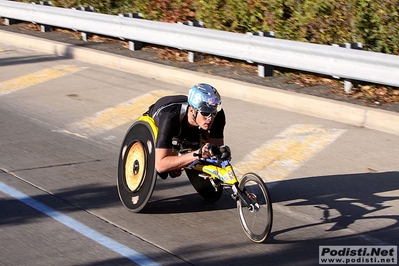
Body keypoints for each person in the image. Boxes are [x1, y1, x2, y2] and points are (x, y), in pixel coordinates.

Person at [144, 83, 231, 179]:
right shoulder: (170, 118)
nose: (210, 118)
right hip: (163, 120)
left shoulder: (218, 116)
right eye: (205, 113)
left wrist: (221, 155)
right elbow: (160, 165)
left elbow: (216, 150)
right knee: (163, 173)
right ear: (192, 110)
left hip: (190, 130)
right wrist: (197, 154)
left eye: (213, 113)